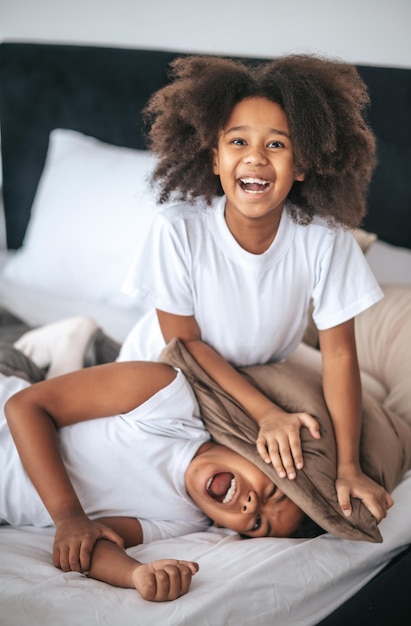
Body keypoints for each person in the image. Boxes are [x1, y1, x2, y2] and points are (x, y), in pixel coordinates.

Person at [117, 54, 391, 521]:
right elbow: (184, 343)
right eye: (238, 140)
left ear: (302, 165)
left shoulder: (325, 239)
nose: (256, 157)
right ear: (215, 157)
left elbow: (340, 355)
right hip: (167, 370)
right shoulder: (177, 230)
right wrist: (266, 413)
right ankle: (76, 344)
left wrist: (349, 467)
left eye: (277, 145)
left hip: (258, 364)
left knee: (372, 391)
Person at [1, 351, 307, 602]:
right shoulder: (166, 396)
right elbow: (25, 406)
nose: (252, 506)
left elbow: (90, 540)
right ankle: (74, 345)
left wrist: (135, 573)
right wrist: (69, 515)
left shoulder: (185, 522)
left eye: (256, 524)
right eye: (272, 493)